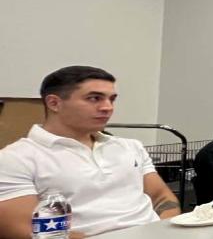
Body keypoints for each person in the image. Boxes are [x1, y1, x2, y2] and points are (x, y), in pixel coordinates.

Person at [0, 66, 180, 238]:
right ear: (54, 103)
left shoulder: (130, 147)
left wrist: (164, 230)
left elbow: (161, 196)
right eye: (94, 98)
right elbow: (20, 228)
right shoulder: (16, 159)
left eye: (112, 99)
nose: (107, 107)